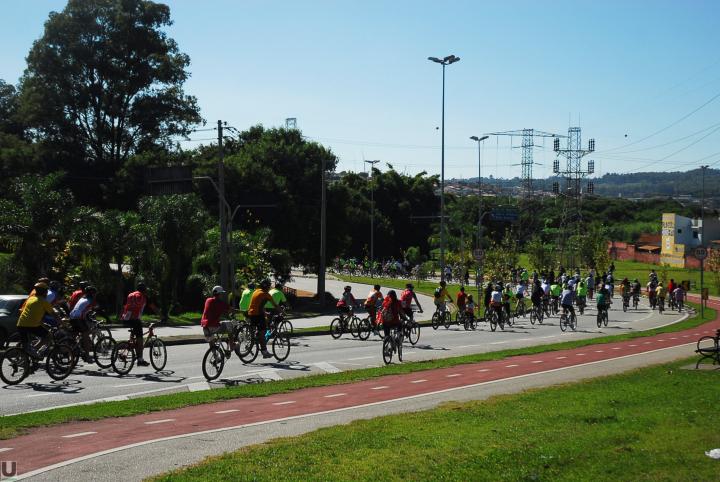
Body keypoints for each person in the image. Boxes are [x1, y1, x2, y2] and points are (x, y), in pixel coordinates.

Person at [16, 282, 56, 356]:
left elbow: (32, 315)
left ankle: (28, 354)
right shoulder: (44, 302)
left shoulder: (30, 299)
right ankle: (35, 351)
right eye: (46, 291)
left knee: (26, 346)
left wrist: (42, 324)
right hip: (32, 326)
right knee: (48, 336)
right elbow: (54, 315)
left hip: (20, 324)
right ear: (44, 292)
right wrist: (64, 324)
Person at [120, 283, 152, 366]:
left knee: (134, 337)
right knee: (140, 339)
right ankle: (140, 360)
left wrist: (121, 317)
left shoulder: (130, 295)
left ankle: (126, 351)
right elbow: (153, 307)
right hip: (135, 320)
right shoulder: (143, 297)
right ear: (144, 290)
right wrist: (163, 316)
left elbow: (124, 306)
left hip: (125, 319)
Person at [201, 286, 237, 354]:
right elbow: (231, 310)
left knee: (212, 343)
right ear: (220, 294)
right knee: (229, 325)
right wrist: (241, 312)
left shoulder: (208, 300)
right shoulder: (220, 303)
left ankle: (215, 356)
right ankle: (232, 345)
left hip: (204, 326)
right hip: (213, 326)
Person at [248, 279, 278, 358]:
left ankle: (254, 339)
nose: (269, 288)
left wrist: (265, 312)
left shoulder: (256, 291)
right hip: (258, 315)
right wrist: (284, 312)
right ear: (267, 287)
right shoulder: (266, 294)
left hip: (251, 313)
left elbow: (259, 305)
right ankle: (264, 352)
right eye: (269, 286)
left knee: (256, 331)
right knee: (263, 333)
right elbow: (275, 305)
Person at [69, 286, 97, 362]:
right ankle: (87, 356)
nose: (95, 295)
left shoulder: (82, 298)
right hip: (78, 318)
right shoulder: (90, 301)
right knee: (86, 334)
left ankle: (69, 349)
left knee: (75, 334)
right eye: (95, 294)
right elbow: (91, 310)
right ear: (92, 294)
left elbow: (83, 310)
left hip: (72, 317)